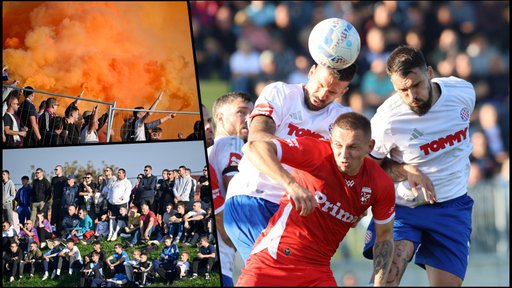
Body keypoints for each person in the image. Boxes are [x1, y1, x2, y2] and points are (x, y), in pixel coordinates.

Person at [235, 112, 396, 286]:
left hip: (318, 269)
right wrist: (291, 185)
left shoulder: (380, 183)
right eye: (338, 145)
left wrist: (377, 284)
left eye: (353, 147)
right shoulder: (317, 152)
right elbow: (252, 147)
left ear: (370, 147)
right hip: (274, 259)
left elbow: (385, 238)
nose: (343, 155)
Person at [362, 46, 476, 286]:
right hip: (403, 209)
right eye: (402, 90)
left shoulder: (463, 93)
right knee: (386, 279)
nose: (412, 96)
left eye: (416, 85)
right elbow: (368, 169)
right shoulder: (387, 120)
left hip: (452, 207)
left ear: (430, 73)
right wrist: (406, 171)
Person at [224, 62, 357, 263]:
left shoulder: (342, 119)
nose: (322, 95)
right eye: (320, 85)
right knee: (273, 267)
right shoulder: (280, 93)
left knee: (292, 274)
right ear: (311, 72)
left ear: (344, 91)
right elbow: (257, 139)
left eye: (332, 92)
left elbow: (347, 167)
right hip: (252, 197)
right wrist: (292, 184)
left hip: (293, 208)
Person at [207, 91, 254, 285]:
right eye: (241, 112)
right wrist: (237, 240)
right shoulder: (232, 142)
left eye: (252, 114)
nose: (248, 119)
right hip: (223, 259)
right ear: (219, 117)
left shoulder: (210, 151)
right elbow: (235, 195)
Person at [51, 165, 68, 233]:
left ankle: (61, 233)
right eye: (55, 169)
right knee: (55, 216)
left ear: (61, 170)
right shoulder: (53, 179)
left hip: (62, 201)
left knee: (61, 216)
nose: (55, 171)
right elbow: (51, 189)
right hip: (55, 200)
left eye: (57, 169)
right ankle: (55, 232)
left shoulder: (65, 179)